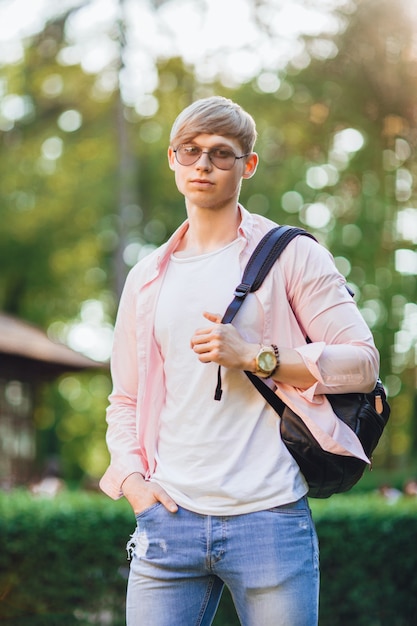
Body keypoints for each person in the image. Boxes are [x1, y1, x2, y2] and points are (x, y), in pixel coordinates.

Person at [100, 96, 379, 626]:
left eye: (221, 154)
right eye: (191, 151)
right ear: (173, 159)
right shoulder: (146, 277)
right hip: (169, 520)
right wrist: (135, 484)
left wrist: (256, 356)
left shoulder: (291, 254)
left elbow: (362, 363)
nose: (203, 164)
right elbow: (125, 399)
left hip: (269, 518)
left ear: (247, 165)